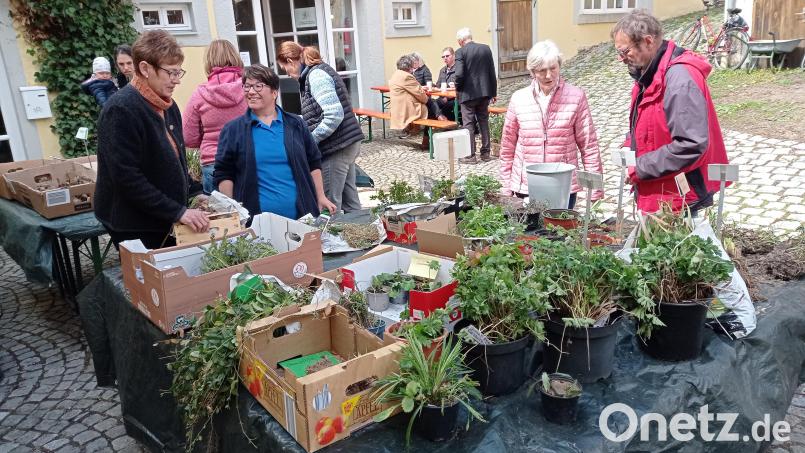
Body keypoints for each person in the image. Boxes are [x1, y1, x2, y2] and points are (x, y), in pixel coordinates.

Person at [95, 30, 208, 249]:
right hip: (134, 224)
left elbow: (175, 162)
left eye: (178, 72)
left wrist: (195, 193)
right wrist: (178, 211)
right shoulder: (121, 109)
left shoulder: (168, 106)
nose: (176, 81)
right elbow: (126, 177)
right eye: (170, 73)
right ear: (145, 68)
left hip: (161, 216)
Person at [612, 10, 729, 214]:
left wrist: (640, 167)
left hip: (678, 197)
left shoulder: (679, 79)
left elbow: (690, 144)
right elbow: (649, 124)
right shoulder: (649, 71)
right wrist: (629, 144)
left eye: (625, 51)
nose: (622, 59)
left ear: (648, 41)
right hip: (660, 192)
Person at [215, 64, 336, 220]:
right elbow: (224, 172)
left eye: (258, 86)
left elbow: (314, 161)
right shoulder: (233, 130)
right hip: (256, 221)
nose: (251, 92)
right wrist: (232, 209)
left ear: (274, 92)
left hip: (301, 215)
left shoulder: (296, 124)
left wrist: (320, 196)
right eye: (247, 86)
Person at [498, 40, 603, 208]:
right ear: (532, 72)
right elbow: (507, 147)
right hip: (526, 184)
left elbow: (588, 143)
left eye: (553, 68)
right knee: (527, 233)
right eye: (542, 70)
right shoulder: (519, 99)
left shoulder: (576, 97)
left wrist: (595, 189)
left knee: (560, 232)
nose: (549, 75)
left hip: (563, 184)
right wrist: (505, 186)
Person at [276, 42, 363, 213]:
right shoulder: (315, 73)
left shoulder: (316, 76)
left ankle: (332, 238)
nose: (286, 72)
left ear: (290, 61)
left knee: (329, 203)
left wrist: (310, 140)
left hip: (337, 147)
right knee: (350, 202)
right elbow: (318, 112)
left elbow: (334, 115)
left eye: (284, 67)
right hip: (345, 143)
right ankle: (362, 235)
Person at [182, 39, 247, 194]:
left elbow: (187, 136)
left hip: (214, 161)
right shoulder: (250, 89)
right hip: (248, 158)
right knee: (253, 213)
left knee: (221, 216)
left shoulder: (200, 94)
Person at [454, 28, 497, 164]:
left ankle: (470, 155)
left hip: (467, 94)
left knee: (468, 124)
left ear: (461, 41)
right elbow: (491, 72)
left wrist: (457, 87)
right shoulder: (485, 49)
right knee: (483, 122)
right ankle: (485, 153)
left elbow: (459, 74)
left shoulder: (460, 51)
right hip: (484, 93)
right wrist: (493, 92)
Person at [389, 54, 446, 150]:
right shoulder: (407, 76)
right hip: (407, 110)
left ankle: (440, 117)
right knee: (432, 106)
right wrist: (421, 90)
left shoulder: (396, 75)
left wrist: (420, 89)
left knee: (434, 103)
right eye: (412, 66)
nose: (413, 69)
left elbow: (411, 90)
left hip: (398, 108)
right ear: (408, 67)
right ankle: (426, 141)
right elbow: (422, 97)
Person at [435, 46, 457, 120]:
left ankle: (449, 126)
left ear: (453, 56)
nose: (445, 58)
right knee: (431, 104)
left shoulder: (458, 69)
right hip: (442, 97)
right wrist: (431, 86)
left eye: (447, 56)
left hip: (454, 99)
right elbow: (438, 86)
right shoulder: (442, 70)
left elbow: (460, 87)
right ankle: (428, 129)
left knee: (446, 106)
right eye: (443, 56)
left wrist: (447, 98)